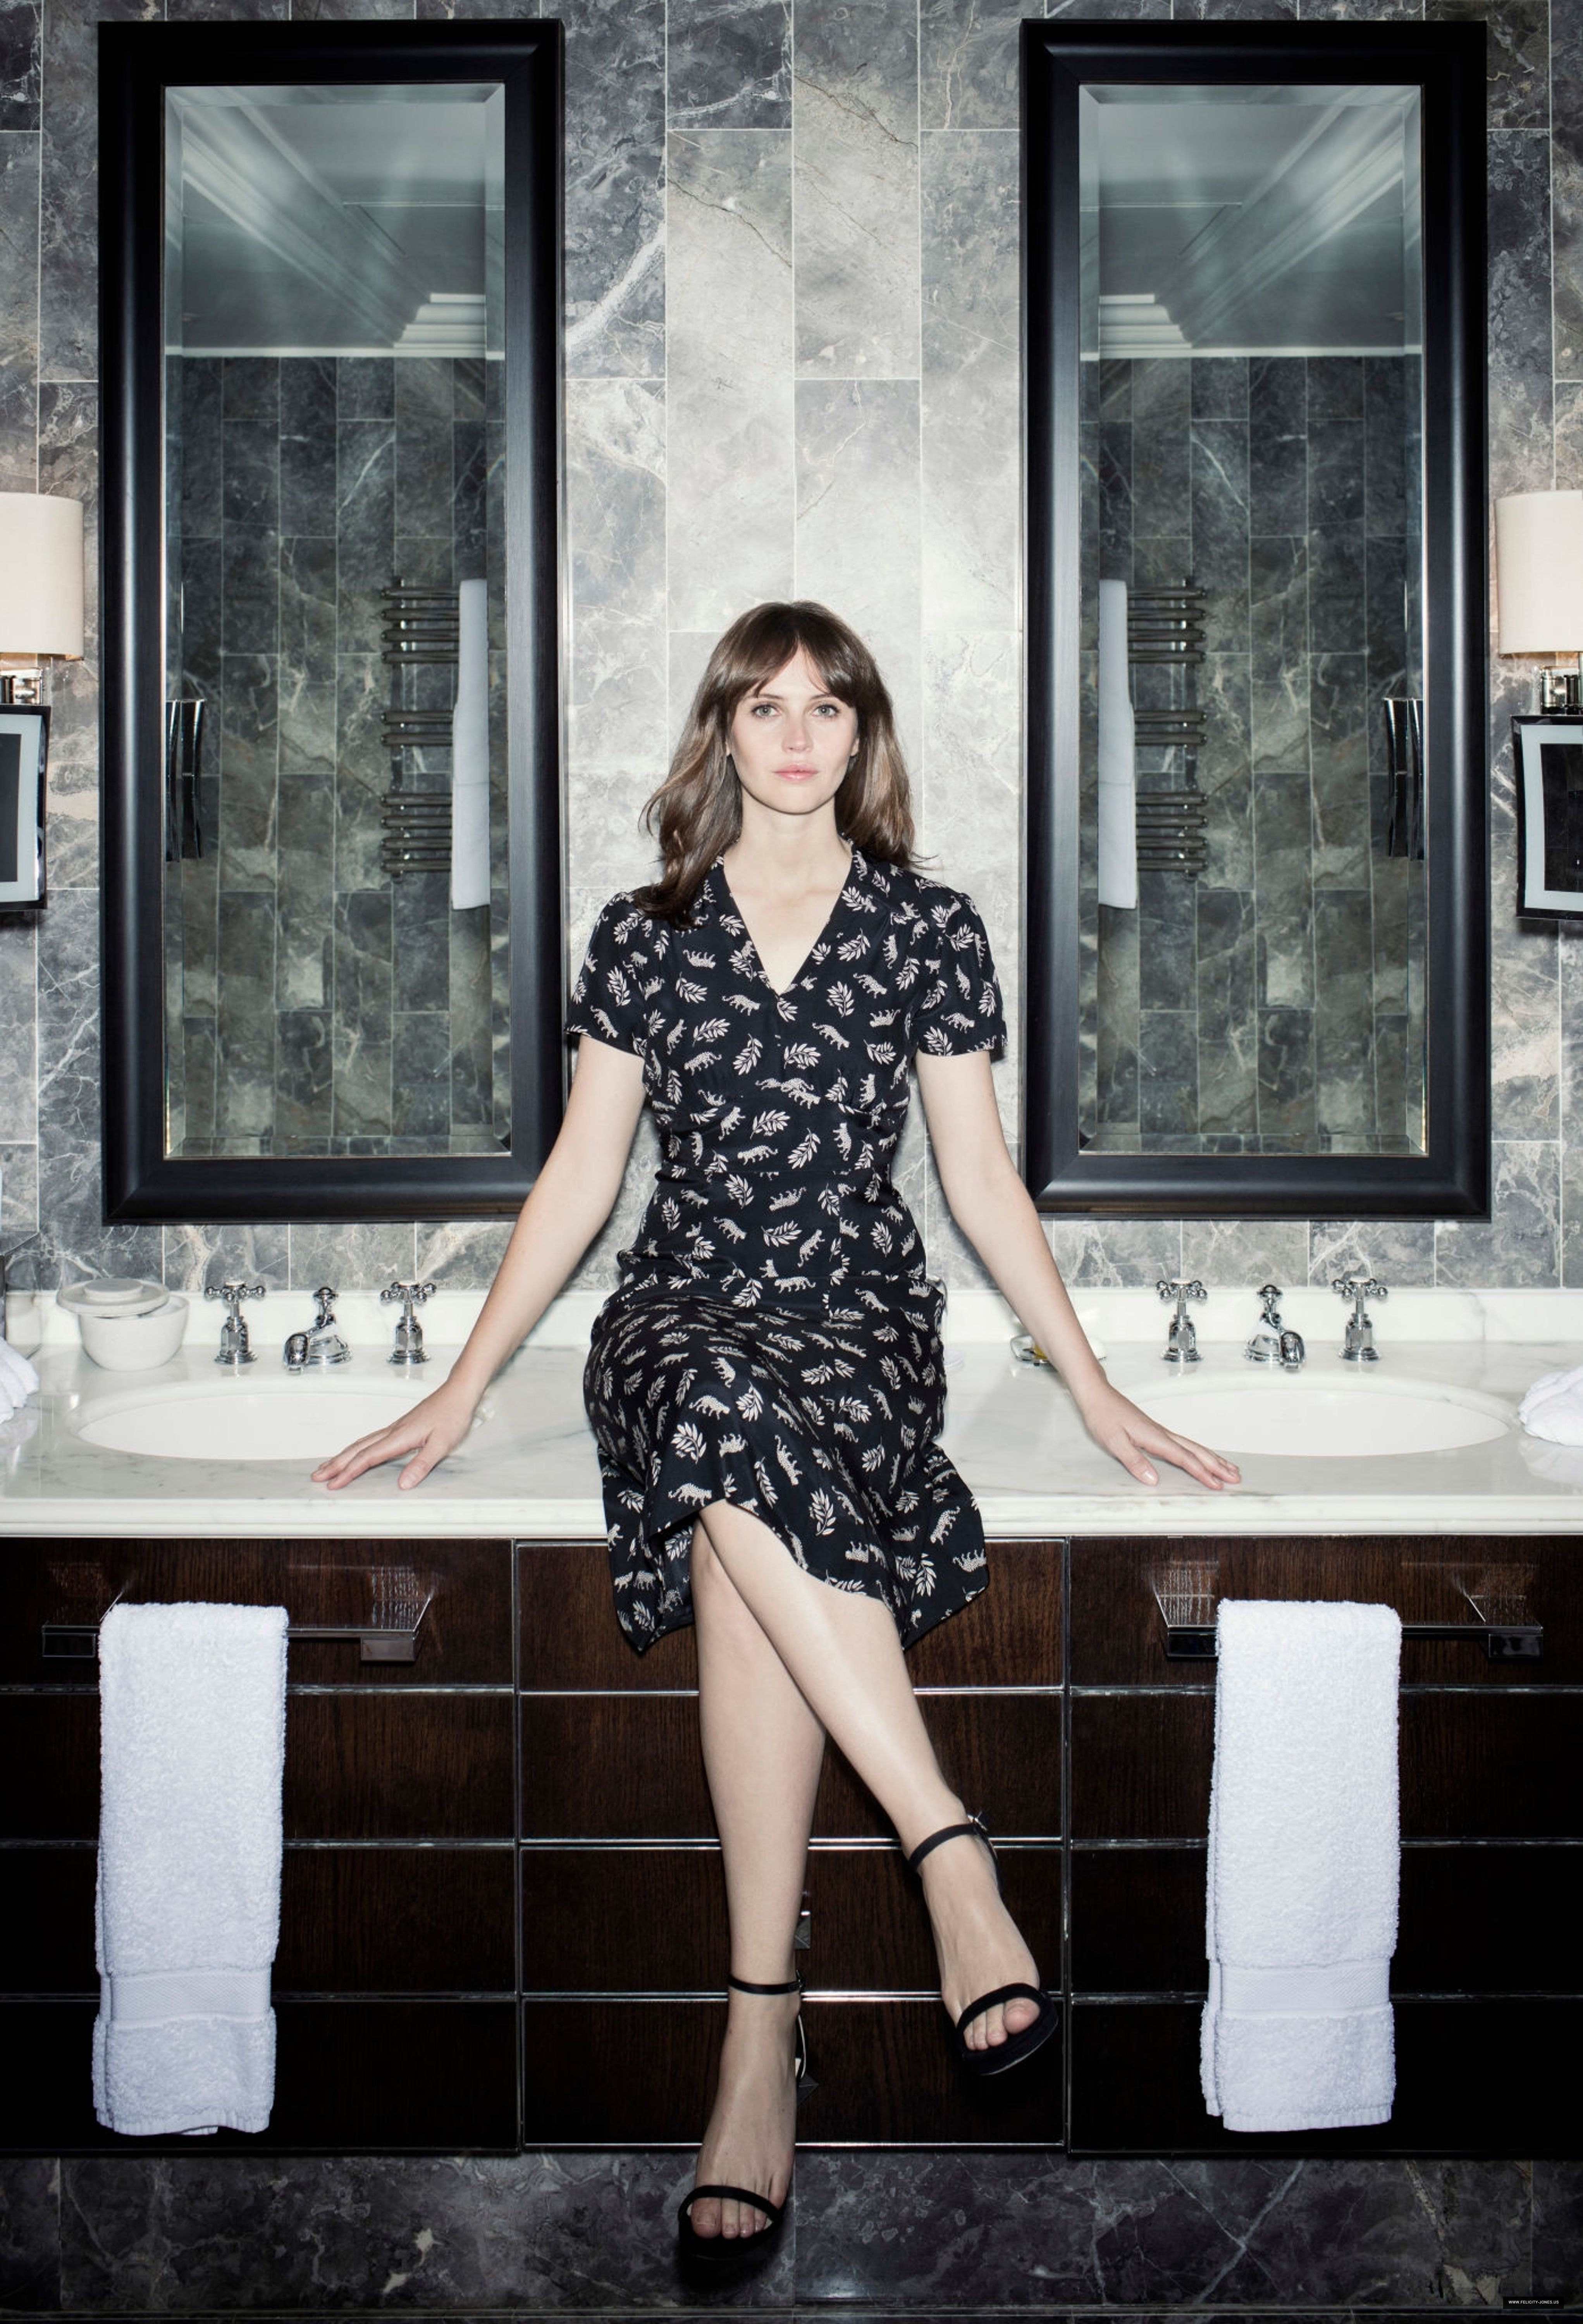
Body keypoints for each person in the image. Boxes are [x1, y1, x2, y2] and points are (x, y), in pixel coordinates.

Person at [312, 601, 1239, 2260]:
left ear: (861, 732)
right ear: (722, 732)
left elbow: (977, 1179)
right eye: (765, 707)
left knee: (736, 1523)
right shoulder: (644, 932)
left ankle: (756, 2035)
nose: (797, 736)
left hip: (860, 1324)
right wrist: (461, 1383)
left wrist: (1089, 1380)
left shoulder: (928, 928)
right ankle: (945, 1847)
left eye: (827, 706)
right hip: (680, 1315)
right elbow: (585, 1176)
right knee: (717, 1409)